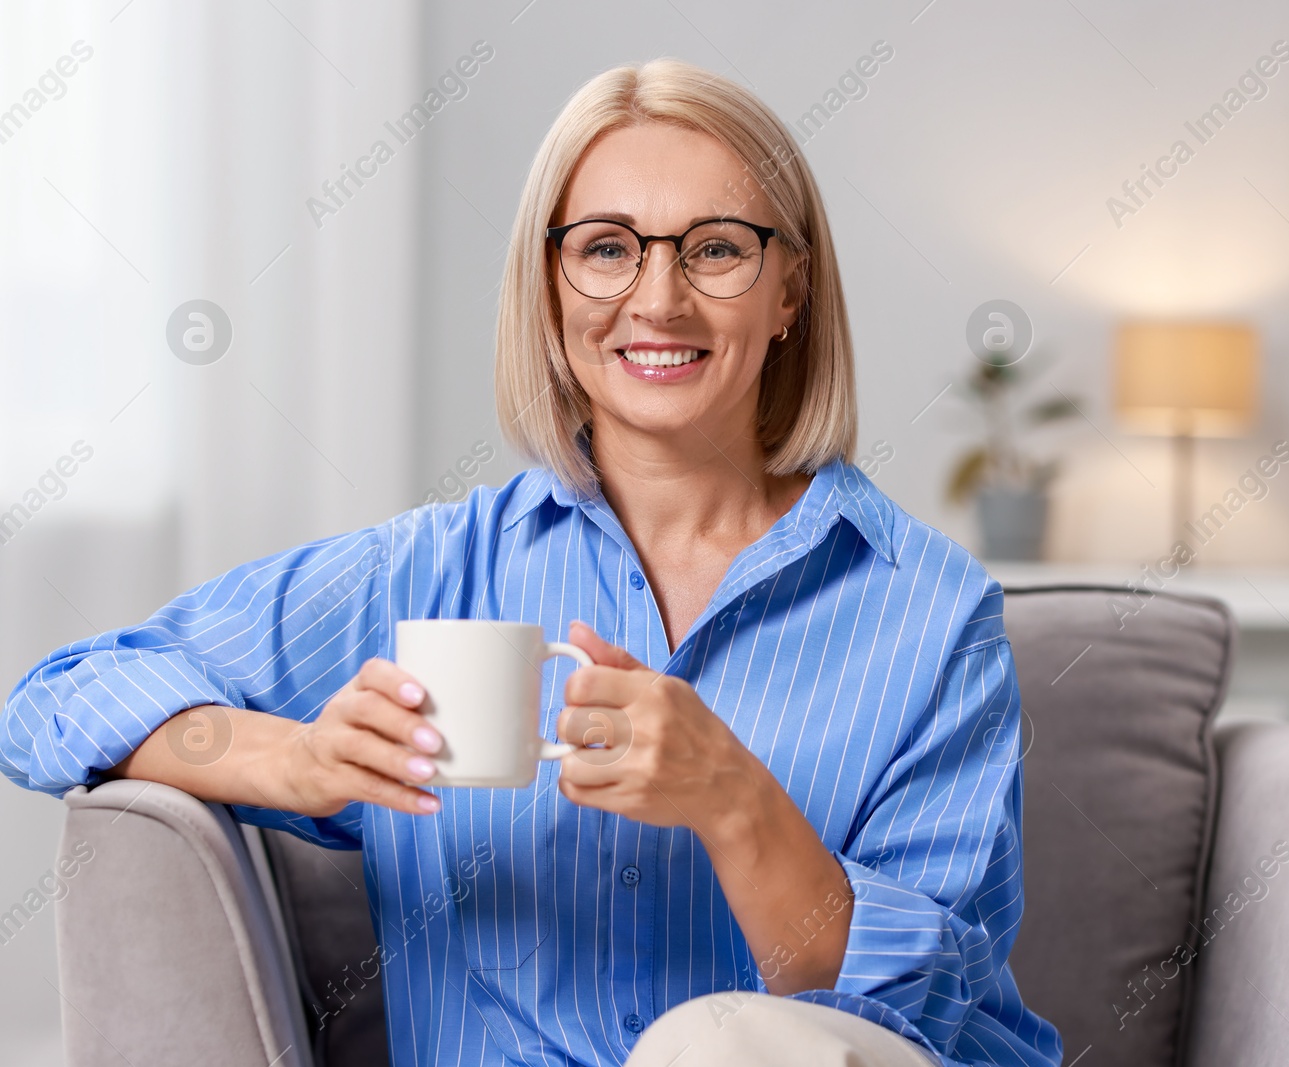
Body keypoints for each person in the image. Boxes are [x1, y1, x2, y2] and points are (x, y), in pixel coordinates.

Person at [1, 58, 1063, 1067]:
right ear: (551, 294)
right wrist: (294, 761)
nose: (658, 298)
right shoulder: (426, 572)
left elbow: (923, 1012)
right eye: (607, 247)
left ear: (789, 291)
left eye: (718, 247)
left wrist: (736, 801)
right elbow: (57, 697)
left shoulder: (927, 611)